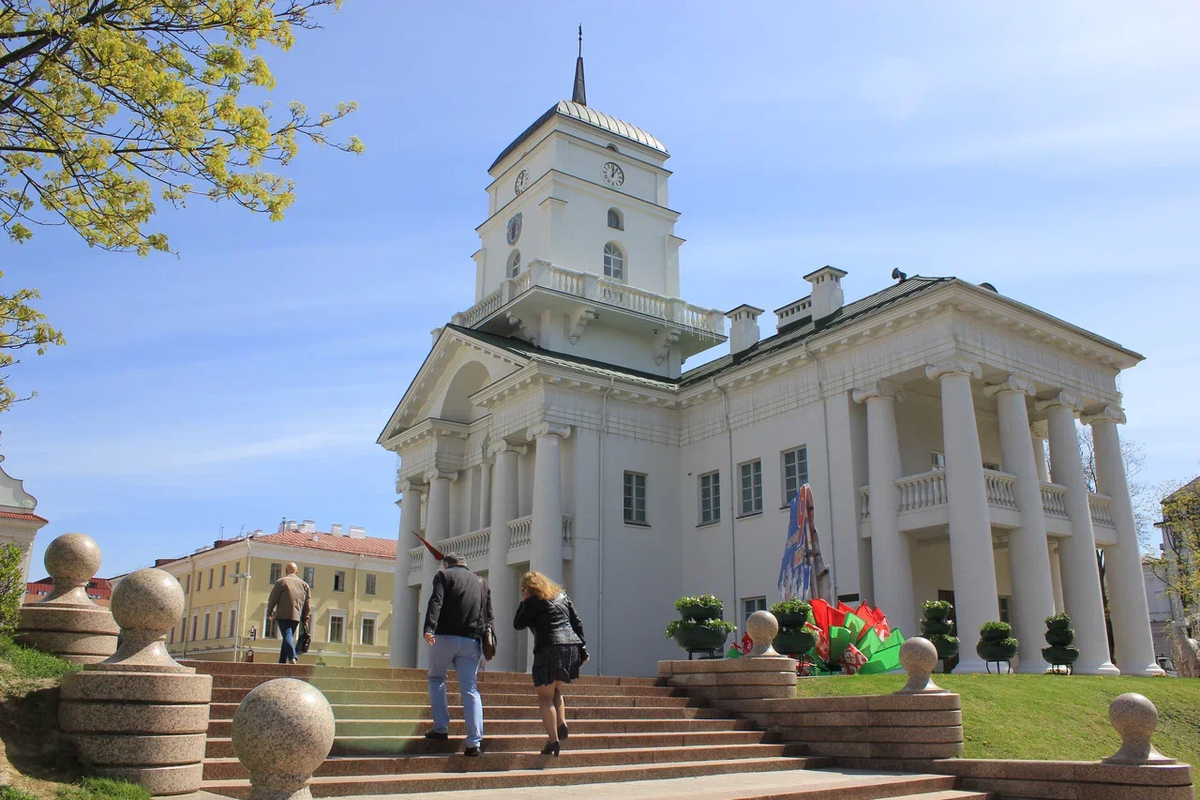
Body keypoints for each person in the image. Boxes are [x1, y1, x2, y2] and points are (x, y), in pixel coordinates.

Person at [423, 552, 493, 757]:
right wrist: (487, 644)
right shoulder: (481, 581)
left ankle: (441, 728)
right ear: (465, 564)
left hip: (444, 636)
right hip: (472, 641)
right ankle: (474, 742)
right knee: (470, 689)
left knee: (436, 678)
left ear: (446, 564)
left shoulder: (443, 576)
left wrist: (429, 628)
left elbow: (436, 601)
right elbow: (488, 613)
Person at [513, 571, 587, 757]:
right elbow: (577, 623)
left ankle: (553, 741)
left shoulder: (533, 600)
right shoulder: (562, 595)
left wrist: (523, 601)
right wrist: (583, 650)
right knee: (555, 689)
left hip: (549, 647)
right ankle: (561, 722)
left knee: (545, 696)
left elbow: (518, 623)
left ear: (529, 588)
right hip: (570, 648)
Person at [265, 562, 311, 665]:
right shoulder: (304, 585)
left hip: (283, 614)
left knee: (287, 635)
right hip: (296, 616)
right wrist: (305, 619)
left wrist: (270, 611)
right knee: (287, 637)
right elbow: (307, 604)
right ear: (297, 571)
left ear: (286, 571)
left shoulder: (281, 582)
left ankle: (292, 657)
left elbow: (273, 598)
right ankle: (282, 661)